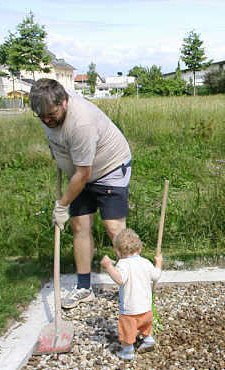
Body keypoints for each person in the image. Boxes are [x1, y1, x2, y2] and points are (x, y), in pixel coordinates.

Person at [30, 78, 132, 308]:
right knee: (79, 226)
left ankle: (134, 283)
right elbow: (63, 145)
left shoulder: (81, 122)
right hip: (80, 171)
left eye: (51, 115)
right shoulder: (47, 111)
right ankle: (84, 287)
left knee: (114, 228)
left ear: (64, 101)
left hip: (109, 168)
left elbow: (84, 174)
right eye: (41, 117)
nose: (46, 120)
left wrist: (62, 204)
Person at [100, 229, 163, 360]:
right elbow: (156, 276)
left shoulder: (123, 264)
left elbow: (120, 279)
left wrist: (109, 267)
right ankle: (148, 339)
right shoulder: (145, 262)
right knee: (145, 325)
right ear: (139, 249)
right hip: (146, 307)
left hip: (130, 309)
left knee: (127, 330)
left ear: (117, 252)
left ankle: (128, 350)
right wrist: (158, 263)